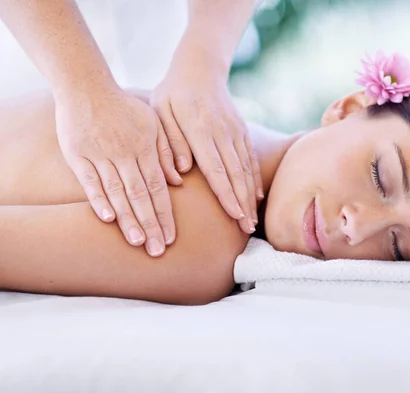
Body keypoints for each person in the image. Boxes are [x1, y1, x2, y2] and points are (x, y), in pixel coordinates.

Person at [0, 51, 410, 305]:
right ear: (348, 107)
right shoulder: (203, 243)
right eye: (380, 175)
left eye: (398, 249)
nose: (356, 227)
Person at [0, 0, 264, 259]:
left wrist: (204, 62)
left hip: (159, 55)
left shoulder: (209, 244)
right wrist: (82, 85)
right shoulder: (207, 244)